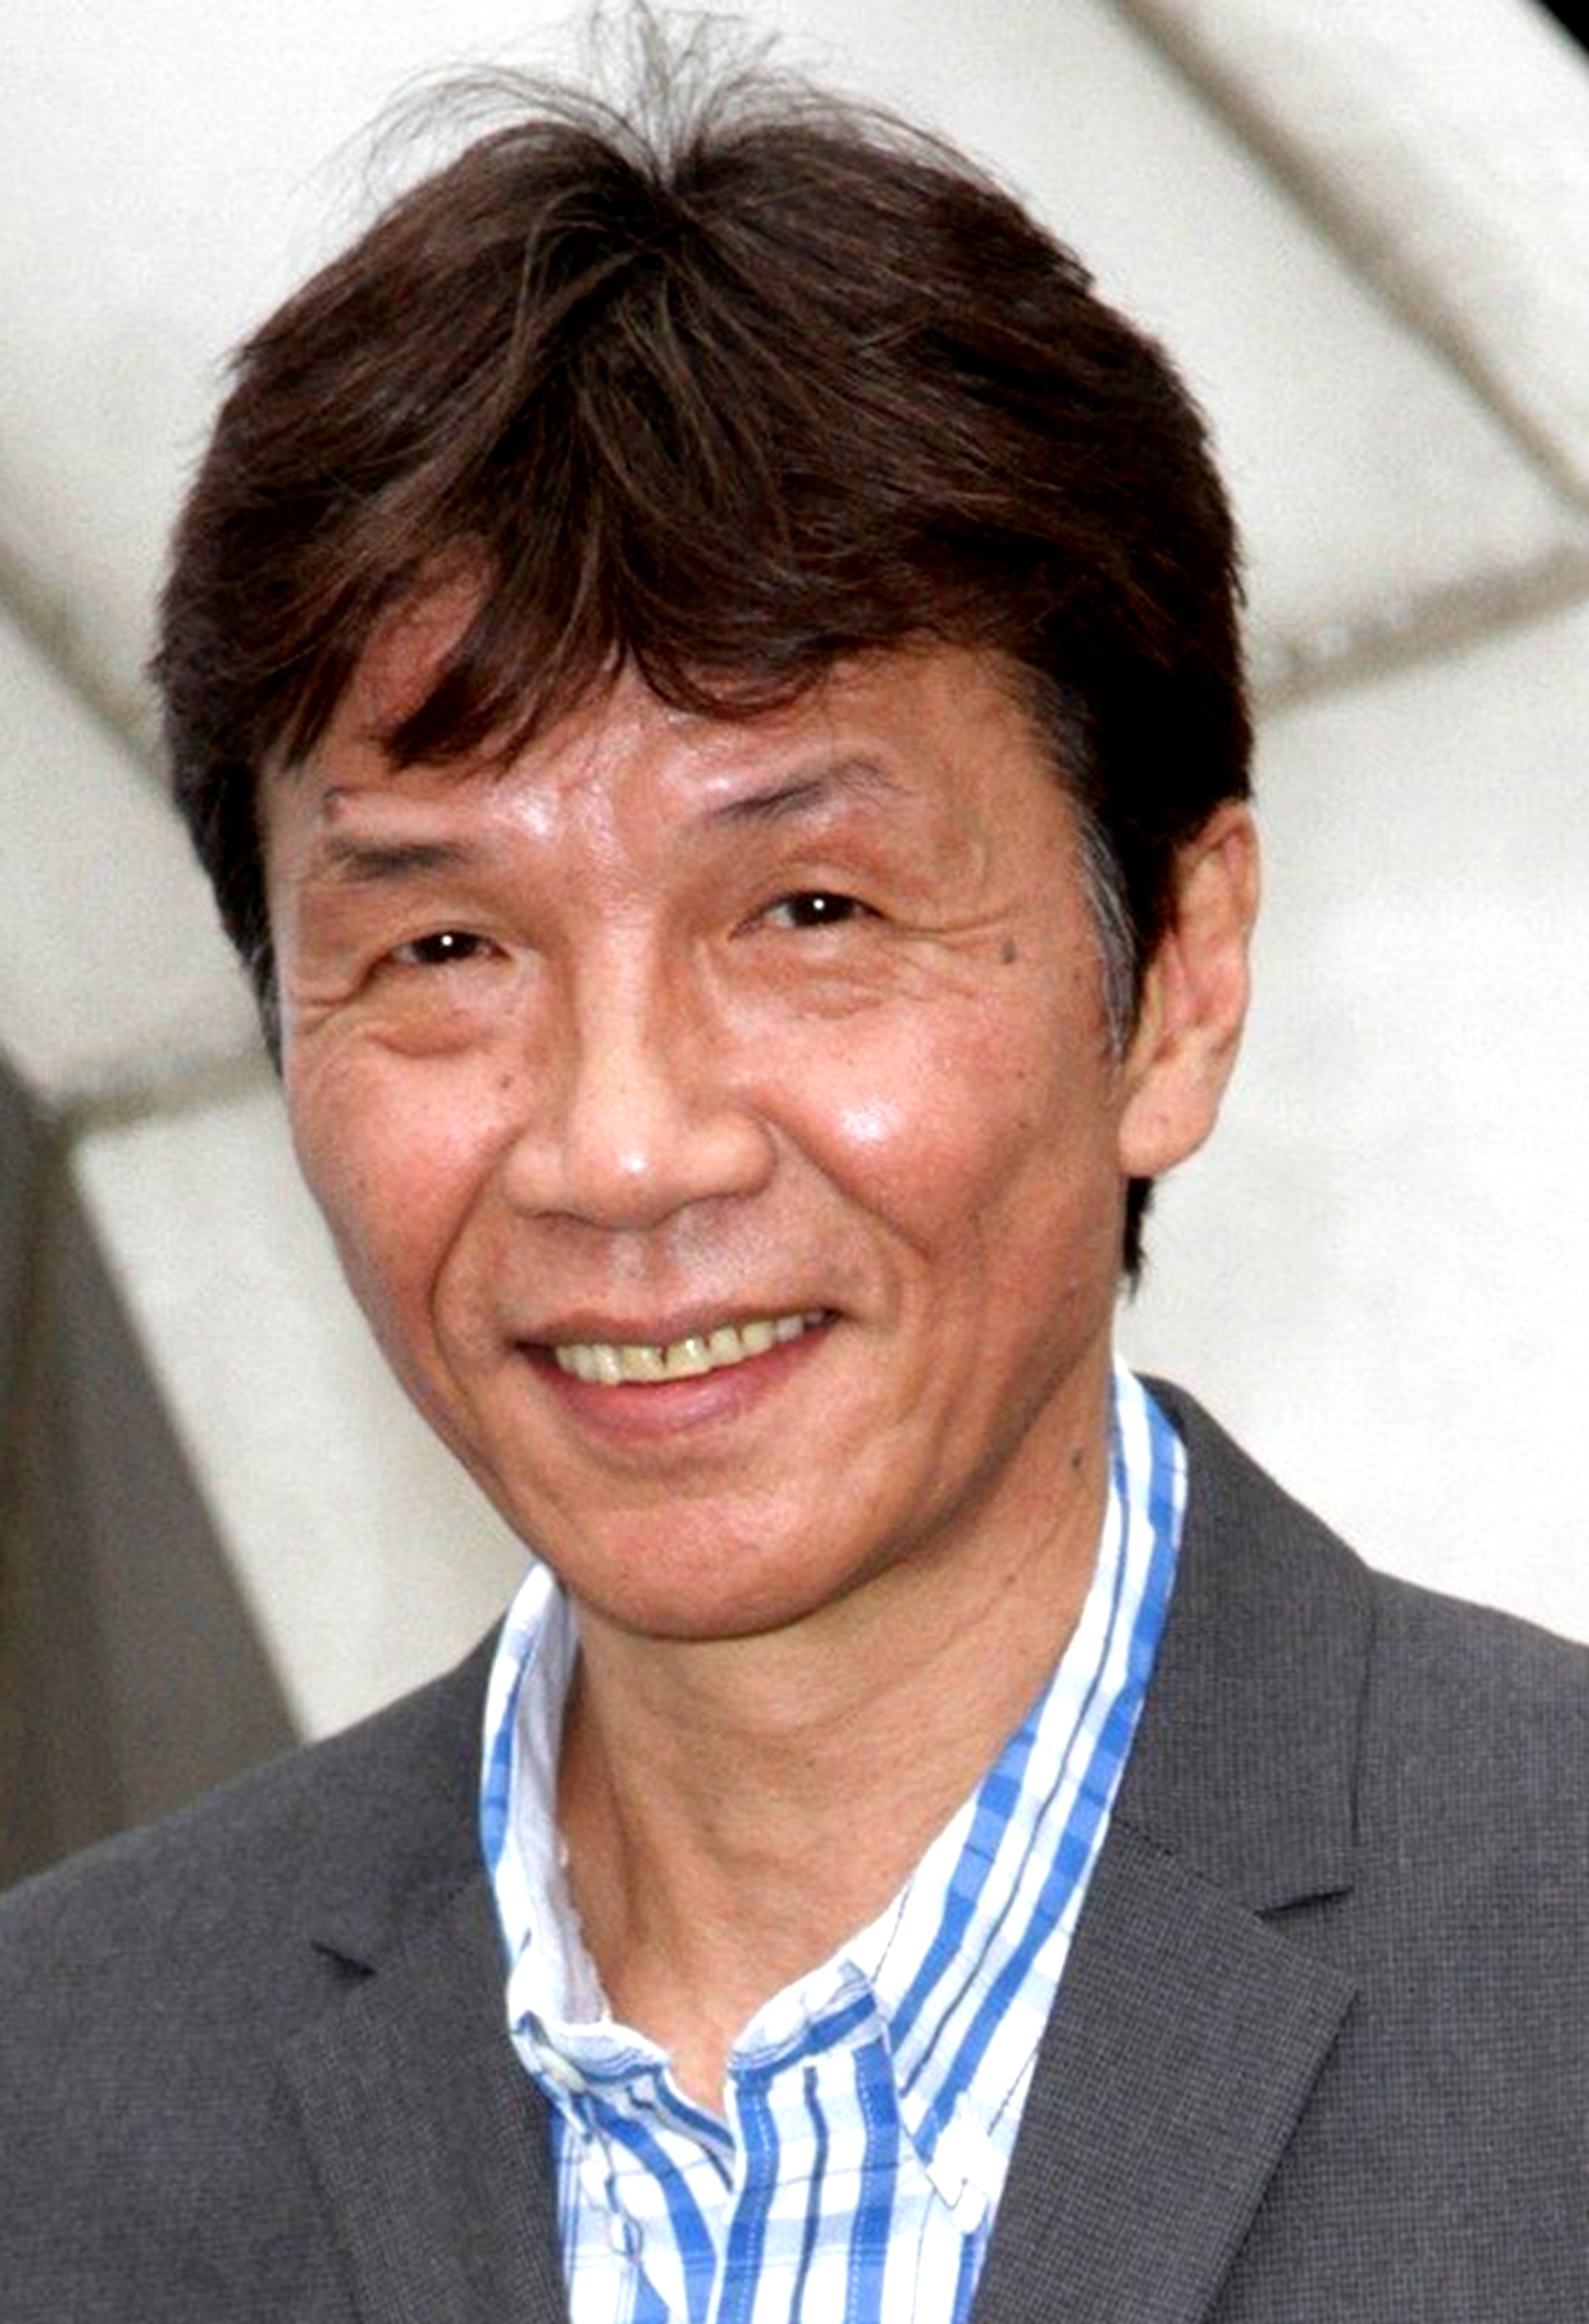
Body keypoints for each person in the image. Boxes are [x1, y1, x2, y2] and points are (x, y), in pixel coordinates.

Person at [3, 29, 1586, 2324]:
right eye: (443, 946)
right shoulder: (57, 2102)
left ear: (1176, 979)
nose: (621, 1145)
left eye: (808, 910)